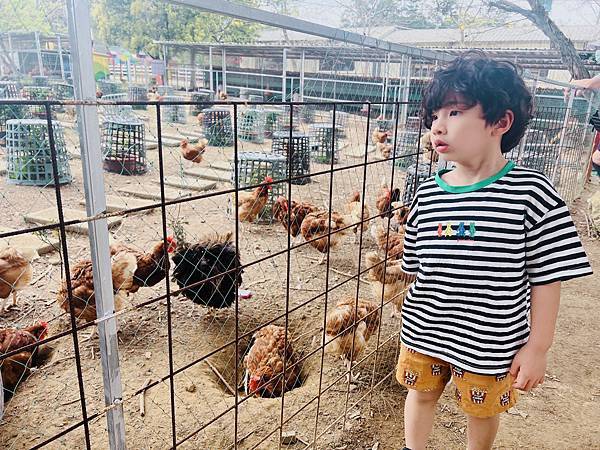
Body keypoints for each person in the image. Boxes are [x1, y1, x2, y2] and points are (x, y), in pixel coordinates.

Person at [397, 53, 593, 450]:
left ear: (501, 122)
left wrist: (537, 348)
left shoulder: (531, 194)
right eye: (435, 114)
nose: (437, 125)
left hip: (492, 340)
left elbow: (547, 277)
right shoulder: (428, 192)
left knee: (482, 410)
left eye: (454, 111)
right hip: (425, 329)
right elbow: (415, 268)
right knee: (420, 393)